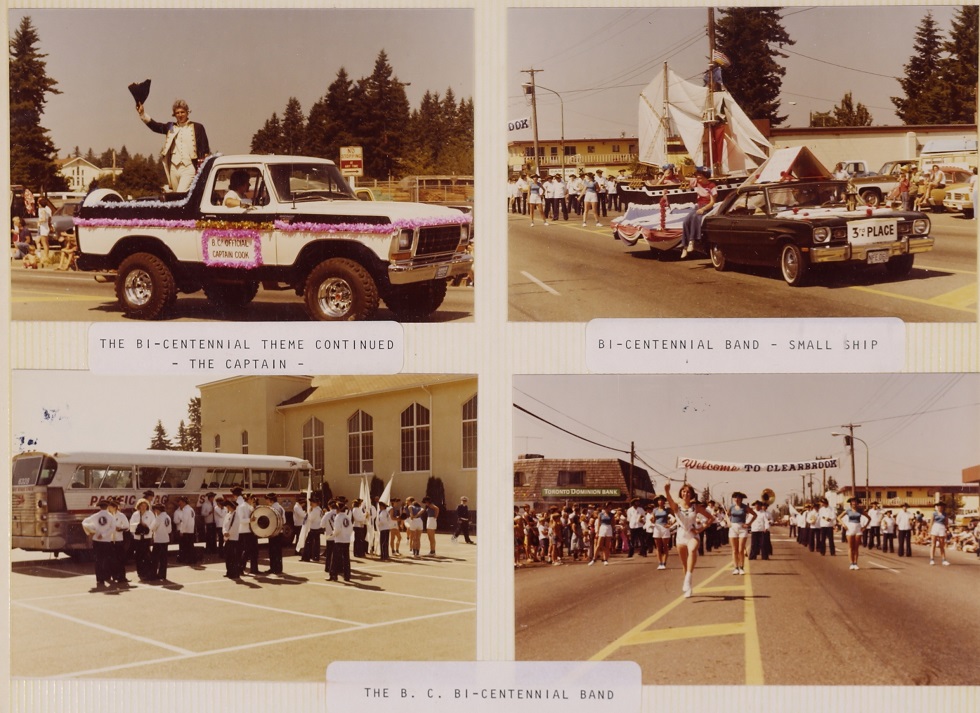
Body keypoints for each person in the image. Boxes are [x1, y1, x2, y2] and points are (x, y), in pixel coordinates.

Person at [137, 98, 211, 192]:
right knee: (176, 197)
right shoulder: (171, 127)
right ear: (174, 115)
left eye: (182, 112)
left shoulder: (198, 127)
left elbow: (205, 149)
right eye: (177, 113)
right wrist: (142, 114)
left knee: (181, 192)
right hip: (173, 169)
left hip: (189, 167)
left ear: (187, 112)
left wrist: (202, 167)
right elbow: (155, 127)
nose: (180, 115)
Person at [663, 483, 712, 598]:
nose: (686, 494)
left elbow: (711, 518)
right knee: (685, 564)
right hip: (680, 535)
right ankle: (689, 587)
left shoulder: (696, 507)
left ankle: (688, 579)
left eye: (688, 492)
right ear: (681, 493)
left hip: (692, 534)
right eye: (684, 491)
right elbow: (670, 501)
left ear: (692, 494)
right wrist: (667, 491)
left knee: (693, 549)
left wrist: (700, 529)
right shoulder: (676, 506)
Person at [680, 168, 717, 259]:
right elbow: (683, 178)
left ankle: (692, 241)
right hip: (698, 206)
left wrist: (703, 209)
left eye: (700, 175)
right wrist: (679, 171)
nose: (698, 176)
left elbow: (712, 202)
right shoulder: (696, 181)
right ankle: (685, 247)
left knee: (695, 218)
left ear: (705, 176)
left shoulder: (711, 186)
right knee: (686, 221)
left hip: (707, 207)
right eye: (697, 175)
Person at [81, 500, 116, 588]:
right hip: (106, 541)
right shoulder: (111, 516)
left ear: (99, 507)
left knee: (98, 560)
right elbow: (113, 528)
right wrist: (104, 535)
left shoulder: (95, 516)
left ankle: (99, 579)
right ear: (107, 506)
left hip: (96, 541)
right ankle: (106, 576)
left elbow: (84, 522)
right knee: (106, 559)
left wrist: (90, 531)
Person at [727, 492, 756, 575]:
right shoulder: (731, 507)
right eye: (735, 497)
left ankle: (742, 567)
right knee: (734, 550)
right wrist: (728, 521)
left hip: (742, 528)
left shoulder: (745, 507)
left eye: (738, 497)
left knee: (740, 550)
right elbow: (726, 515)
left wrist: (748, 524)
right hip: (733, 528)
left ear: (741, 499)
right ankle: (736, 568)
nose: (736, 499)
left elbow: (755, 515)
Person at [838, 497, 869, 570]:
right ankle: (851, 563)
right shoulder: (847, 510)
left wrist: (865, 526)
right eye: (852, 502)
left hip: (858, 528)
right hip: (850, 528)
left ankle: (855, 563)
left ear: (857, 503)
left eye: (855, 502)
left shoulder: (860, 510)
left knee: (856, 547)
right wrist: (843, 524)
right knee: (851, 547)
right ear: (851, 503)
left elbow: (869, 518)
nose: (854, 503)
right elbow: (838, 517)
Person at [130, 498, 156, 580]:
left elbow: (154, 522)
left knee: (146, 554)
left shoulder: (150, 514)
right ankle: (140, 572)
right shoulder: (135, 514)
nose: (143, 507)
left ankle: (147, 571)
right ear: (139, 506)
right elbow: (131, 524)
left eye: (145, 506)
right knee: (138, 555)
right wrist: (138, 524)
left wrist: (147, 527)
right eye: (142, 506)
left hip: (146, 537)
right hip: (138, 537)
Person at [329, 502, 353, 582]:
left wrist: (333, 533)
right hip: (346, 540)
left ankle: (333, 575)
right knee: (346, 558)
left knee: (335, 559)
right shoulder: (347, 517)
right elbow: (350, 529)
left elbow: (337, 529)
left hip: (339, 540)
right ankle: (347, 576)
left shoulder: (338, 517)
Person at [149, 503, 173, 581]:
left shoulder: (158, 518)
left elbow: (152, 527)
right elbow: (169, 530)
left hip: (158, 540)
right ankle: (162, 575)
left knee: (154, 558)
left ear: (157, 510)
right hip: (165, 539)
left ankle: (152, 575)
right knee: (163, 559)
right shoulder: (167, 517)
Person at [265, 492, 286, 575]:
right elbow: (284, 520)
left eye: (267, 499)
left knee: (273, 551)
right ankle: (278, 568)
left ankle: (273, 568)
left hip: (273, 532)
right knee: (278, 551)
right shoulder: (280, 507)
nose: (266, 501)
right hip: (279, 532)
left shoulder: (272, 508)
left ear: (270, 500)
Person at [173, 495, 197, 564]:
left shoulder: (186, 510)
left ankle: (189, 560)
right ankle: (192, 560)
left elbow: (184, 521)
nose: (179, 503)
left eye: (180, 501)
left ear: (184, 502)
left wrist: (182, 531)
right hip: (191, 530)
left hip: (186, 531)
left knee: (186, 547)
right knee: (190, 546)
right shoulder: (191, 509)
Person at [221, 499, 241, 579]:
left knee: (233, 557)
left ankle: (235, 573)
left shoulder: (236, 515)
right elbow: (224, 525)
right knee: (228, 557)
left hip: (233, 538)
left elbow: (235, 526)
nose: (226, 507)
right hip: (227, 538)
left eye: (227, 506)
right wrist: (224, 532)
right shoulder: (228, 514)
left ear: (230, 506)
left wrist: (228, 534)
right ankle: (229, 572)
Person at [929, 501, 951, 566]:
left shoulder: (945, 514)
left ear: (943, 507)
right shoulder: (934, 513)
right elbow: (931, 522)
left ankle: (944, 560)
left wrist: (947, 530)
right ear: (937, 507)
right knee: (933, 544)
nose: (940, 507)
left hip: (942, 527)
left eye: (941, 506)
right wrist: (929, 531)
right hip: (935, 527)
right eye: (938, 506)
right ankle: (932, 559)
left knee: (942, 545)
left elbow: (946, 523)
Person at [36, 196, 54, 265]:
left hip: (44, 227)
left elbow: (44, 219)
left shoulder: (44, 210)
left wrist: (39, 221)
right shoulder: (43, 209)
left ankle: (46, 257)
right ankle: (44, 256)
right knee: (44, 242)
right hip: (44, 227)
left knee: (44, 243)